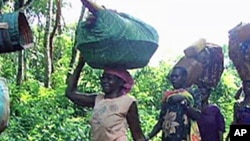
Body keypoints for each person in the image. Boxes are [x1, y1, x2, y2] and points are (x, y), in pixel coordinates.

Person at [65, 58, 146, 141]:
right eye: (103, 78)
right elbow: (70, 93)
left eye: (109, 78)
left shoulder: (128, 102)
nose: (104, 81)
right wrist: (80, 64)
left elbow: (138, 136)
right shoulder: (98, 99)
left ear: (121, 82)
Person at [146, 66, 201, 141]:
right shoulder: (168, 97)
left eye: (176, 76)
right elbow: (161, 121)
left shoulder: (192, 93)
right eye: (172, 76)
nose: (173, 79)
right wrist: (148, 137)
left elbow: (197, 115)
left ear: (184, 78)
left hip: (184, 136)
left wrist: (183, 103)